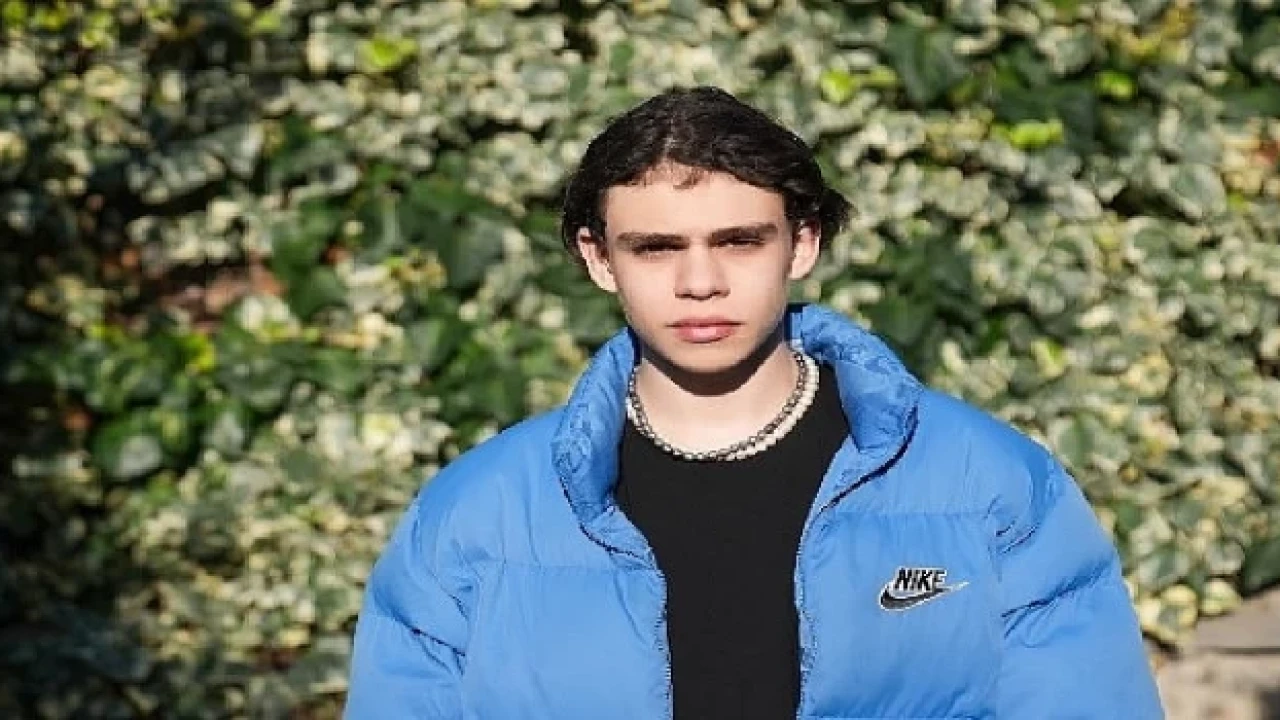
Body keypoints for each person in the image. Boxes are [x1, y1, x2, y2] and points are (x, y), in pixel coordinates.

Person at [344, 86, 1164, 719]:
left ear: (801, 243)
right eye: (656, 247)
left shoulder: (993, 487)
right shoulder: (475, 516)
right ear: (598, 259)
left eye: (738, 240)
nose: (700, 281)